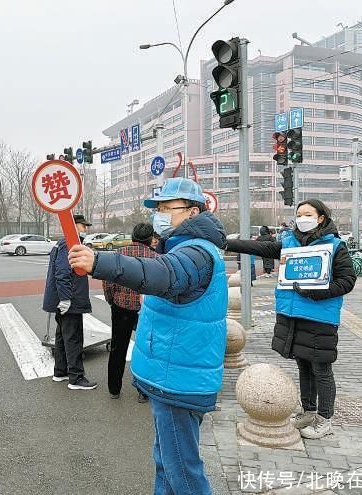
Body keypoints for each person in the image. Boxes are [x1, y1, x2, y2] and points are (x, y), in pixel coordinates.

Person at [68, 178, 228, 494]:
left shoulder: (195, 253)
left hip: (178, 378)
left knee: (182, 471)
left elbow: (161, 275)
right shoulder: (183, 247)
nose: (162, 214)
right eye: (159, 208)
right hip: (173, 374)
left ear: (193, 212)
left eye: (169, 208)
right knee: (167, 462)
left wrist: (98, 261)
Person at [225, 199, 356, 439]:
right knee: (303, 365)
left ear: (321, 218)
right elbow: (258, 248)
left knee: (321, 368)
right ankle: (308, 411)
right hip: (292, 314)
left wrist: (319, 292)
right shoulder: (289, 243)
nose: (301, 218)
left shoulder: (335, 246)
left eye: (307, 213)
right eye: (298, 214)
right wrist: (225, 242)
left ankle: (325, 419)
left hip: (320, 317)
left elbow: (347, 280)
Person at [102, 223, 158, 402]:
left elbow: (108, 281)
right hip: (147, 309)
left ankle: (114, 389)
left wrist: (112, 299)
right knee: (147, 349)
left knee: (118, 347)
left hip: (121, 306)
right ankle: (143, 391)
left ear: (132, 236)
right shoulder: (156, 258)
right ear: (150, 238)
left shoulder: (119, 255)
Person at [42, 214, 96, 391]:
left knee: (62, 336)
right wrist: (65, 299)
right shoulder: (69, 244)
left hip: (62, 300)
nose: (85, 230)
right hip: (70, 300)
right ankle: (76, 378)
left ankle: (61, 371)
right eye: (83, 226)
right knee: (73, 338)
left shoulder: (61, 242)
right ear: (74, 226)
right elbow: (63, 273)